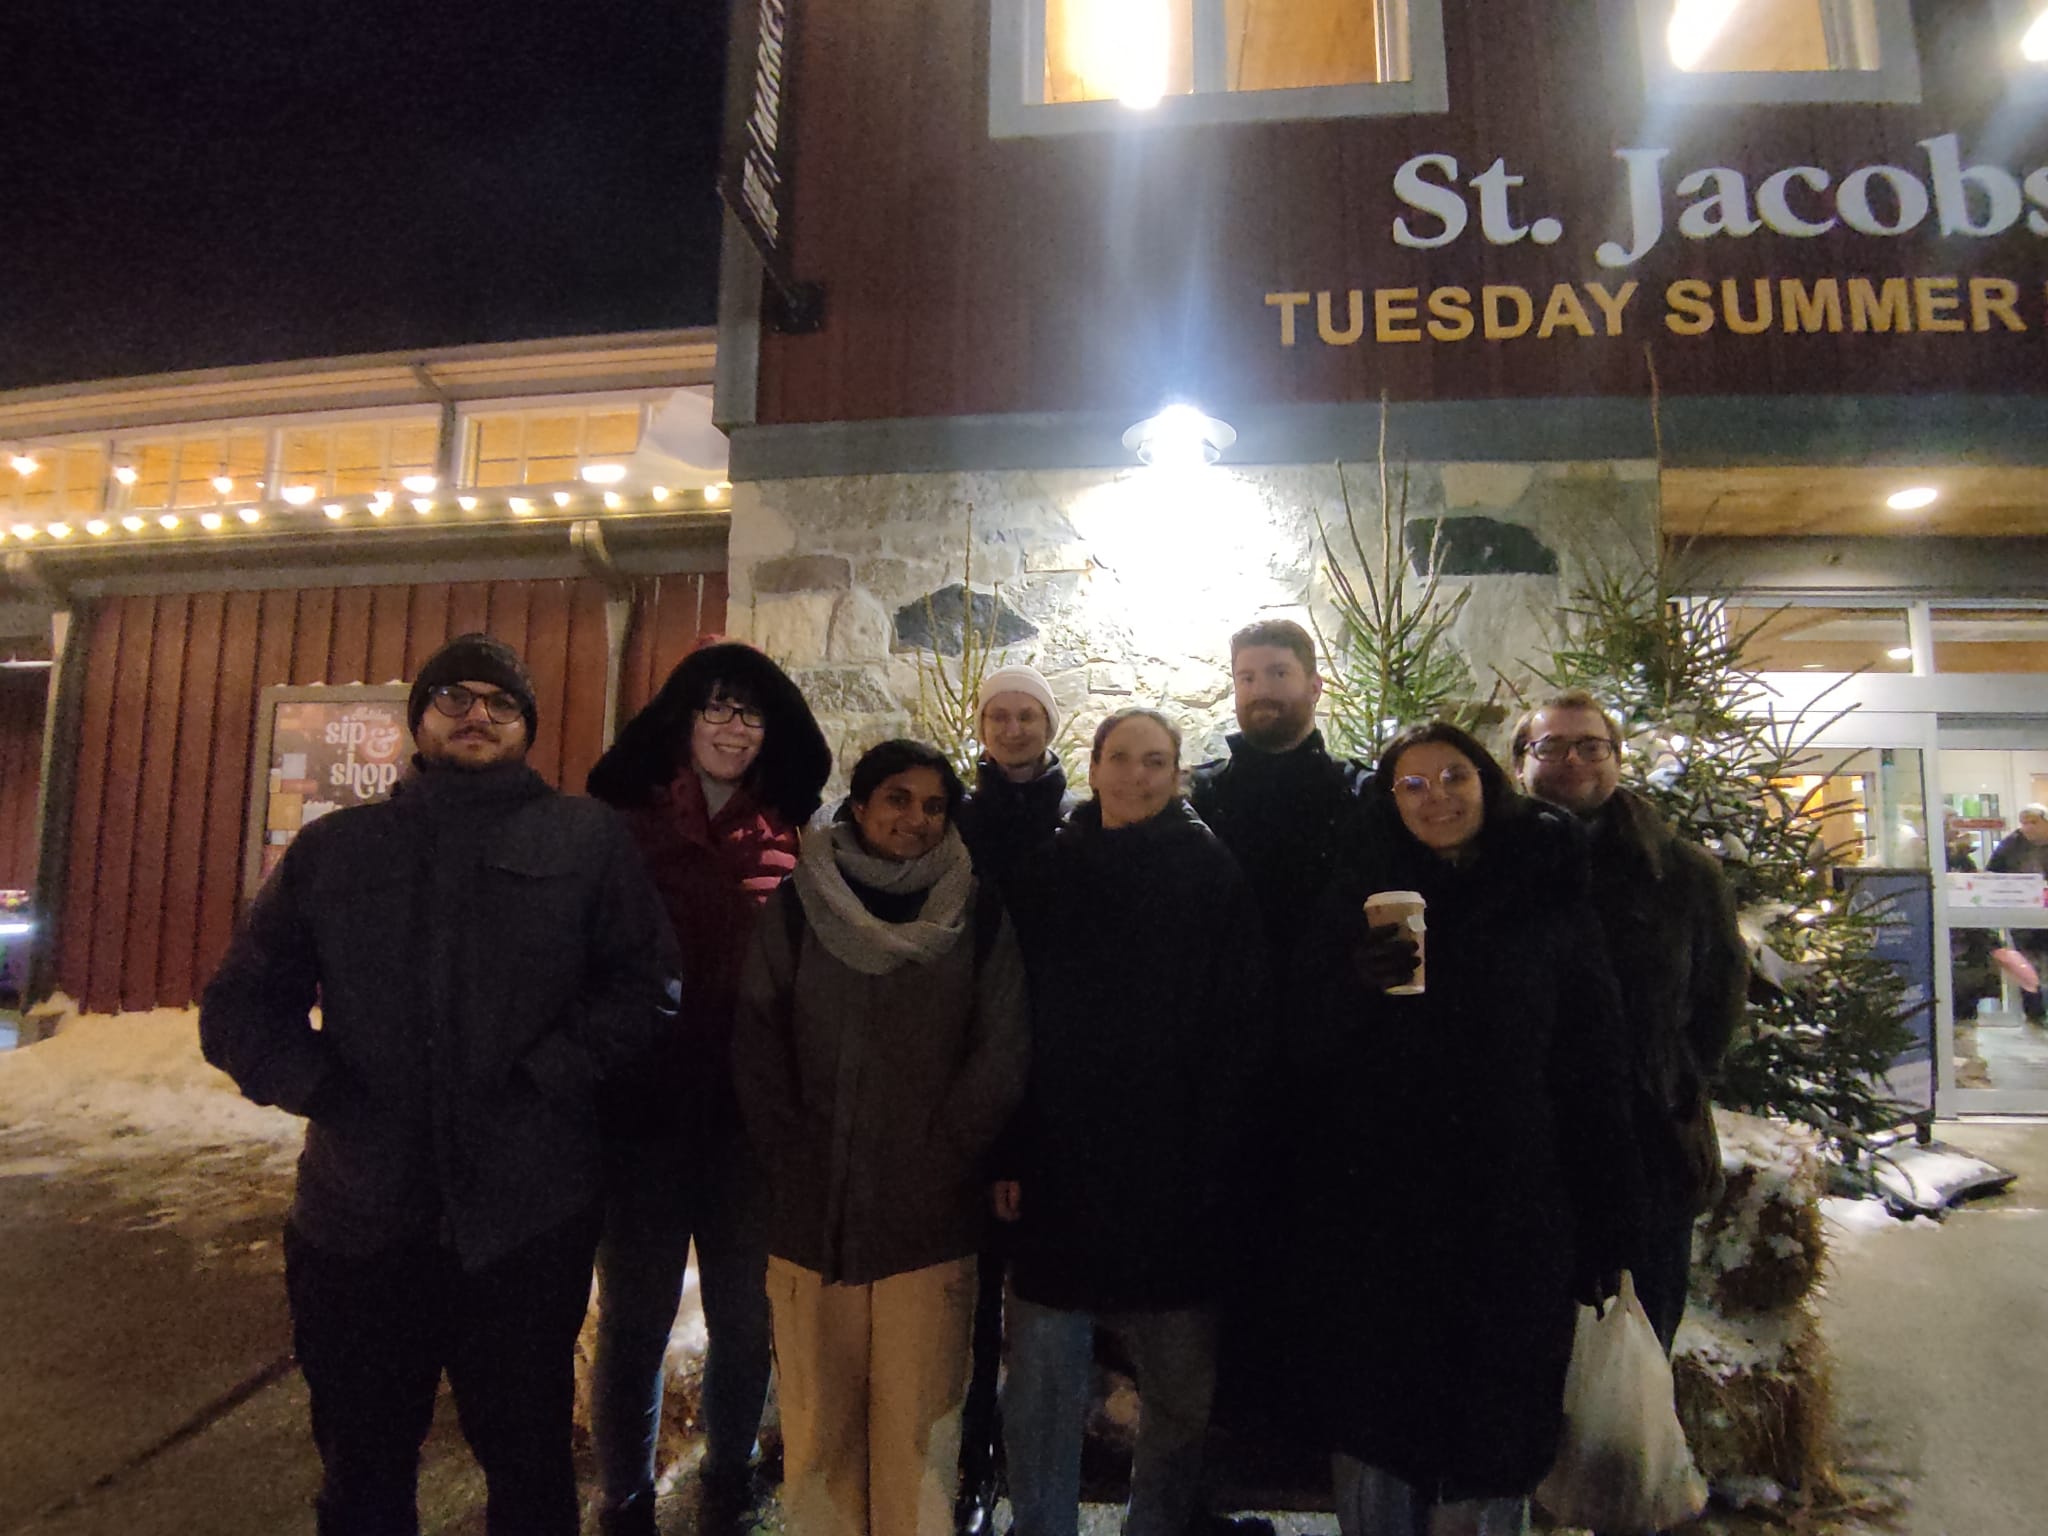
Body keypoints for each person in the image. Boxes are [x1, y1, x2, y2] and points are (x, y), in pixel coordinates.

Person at [199, 633, 679, 1536]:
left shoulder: (583, 840)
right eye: (454, 698)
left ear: (526, 728)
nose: (477, 715)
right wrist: (324, 1088)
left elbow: (645, 986)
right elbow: (240, 1006)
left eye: (500, 703)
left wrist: (548, 1077)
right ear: (417, 719)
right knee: (363, 1463)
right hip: (360, 1221)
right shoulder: (337, 851)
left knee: (529, 1464)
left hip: (526, 1218)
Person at [1294, 722, 1641, 1536]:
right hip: (1379, 1211)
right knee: (1380, 1417)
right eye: (1412, 784)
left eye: (1454, 777)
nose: (1435, 797)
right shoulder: (1356, 896)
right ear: (1389, 802)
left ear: (1489, 784)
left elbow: (1593, 1064)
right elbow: (1298, 1046)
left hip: (1511, 1207)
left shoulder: (1545, 897)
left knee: (1495, 1418)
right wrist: (1351, 983)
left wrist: (1606, 1219)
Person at [732, 739, 1030, 1536]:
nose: (916, 819)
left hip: (927, 1219)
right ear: (859, 806)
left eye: (935, 806)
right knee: (820, 1427)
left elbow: (1000, 1051)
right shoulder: (799, 907)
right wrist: (792, 1159)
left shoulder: (978, 911)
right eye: (897, 798)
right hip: (811, 1215)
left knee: (919, 1430)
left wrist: (939, 1160)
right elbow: (759, 1039)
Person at [585, 641, 833, 1536]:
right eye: (717, 709)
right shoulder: (620, 824)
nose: (733, 728)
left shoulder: (789, 836)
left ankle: (728, 1473)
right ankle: (626, 1491)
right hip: (643, 1115)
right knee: (636, 1319)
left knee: (744, 1315)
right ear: (684, 721)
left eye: (751, 713)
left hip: (746, 1120)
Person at [998, 708, 1266, 1536]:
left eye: (1156, 761)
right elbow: (1010, 1015)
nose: (1138, 776)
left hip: (1173, 1162)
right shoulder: (1050, 869)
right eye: (1123, 759)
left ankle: (1155, 1525)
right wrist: (1009, 1146)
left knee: (1178, 1387)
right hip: (1060, 1157)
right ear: (1096, 764)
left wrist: (1217, 1155)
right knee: (1042, 1378)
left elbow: (1240, 1025)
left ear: (1178, 772)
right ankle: (1043, 1524)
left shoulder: (1213, 874)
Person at [1510, 691, 1747, 1356]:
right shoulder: (1493, 866)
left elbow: (1720, 992)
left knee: (1638, 1338)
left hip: (1649, 1145)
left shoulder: (1679, 872)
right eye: (1550, 746)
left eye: (1591, 745)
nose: (1572, 760)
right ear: (1520, 763)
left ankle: (1624, 1462)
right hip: (1529, 1145)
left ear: (1618, 758)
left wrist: (1673, 1079)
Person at [949, 663, 1076, 1536]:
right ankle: (969, 1465)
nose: (1014, 726)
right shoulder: (956, 815)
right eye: (1000, 713)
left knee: (1038, 1294)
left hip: (1056, 1061)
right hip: (967, 1045)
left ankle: (1033, 1471)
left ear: (1050, 726)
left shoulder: (1084, 814)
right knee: (972, 1293)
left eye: (1029, 713)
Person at [1187, 619, 1370, 969]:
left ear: (1315, 687)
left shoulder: (1359, 793)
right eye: (1247, 678)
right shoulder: (1199, 797)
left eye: (1279, 674)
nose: (1260, 691)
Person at [1988, 804, 2048, 1022]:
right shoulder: (2011, 845)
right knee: (2028, 963)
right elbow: (1992, 874)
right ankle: (2035, 1013)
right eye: (2024, 823)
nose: (2029, 828)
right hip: (2023, 916)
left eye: (2034, 822)